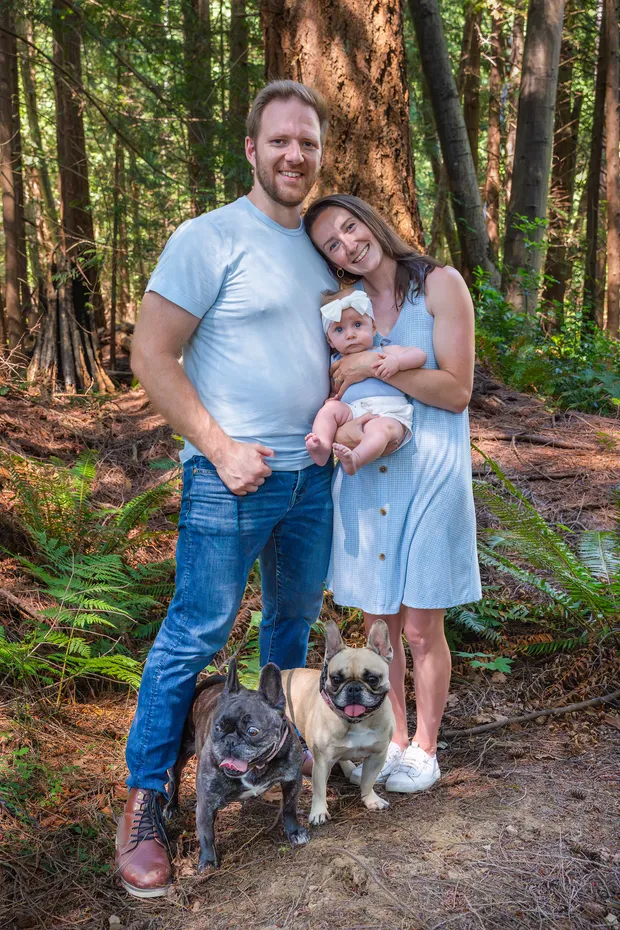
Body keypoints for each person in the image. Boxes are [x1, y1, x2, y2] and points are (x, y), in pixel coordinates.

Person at [115, 81, 337, 899]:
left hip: (312, 482)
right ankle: (147, 801)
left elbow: (340, 353)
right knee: (196, 632)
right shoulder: (208, 238)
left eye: (307, 143)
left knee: (291, 625)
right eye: (279, 141)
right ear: (251, 149)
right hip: (229, 479)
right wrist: (218, 446)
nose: (294, 155)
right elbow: (151, 355)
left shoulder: (322, 245)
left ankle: (267, 767)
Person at [304, 193, 482, 794]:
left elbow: (457, 390)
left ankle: (426, 748)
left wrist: (371, 368)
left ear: (370, 221)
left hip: (429, 471)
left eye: (350, 227)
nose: (348, 244)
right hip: (364, 477)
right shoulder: (342, 307)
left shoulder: (439, 284)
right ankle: (393, 738)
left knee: (420, 628)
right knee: (381, 625)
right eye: (332, 243)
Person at [306, 287, 426, 474]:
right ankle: (322, 447)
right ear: (330, 341)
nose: (350, 334)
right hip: (353, 410)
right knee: (329, 410)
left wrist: (397, 362)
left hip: (389, 412)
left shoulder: (383, 351)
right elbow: (335, 389)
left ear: (373, 327)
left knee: (379, 429)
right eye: (339, 329)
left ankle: (356, 459)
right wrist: (332, 398)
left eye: (357, 325)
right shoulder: (335, 363)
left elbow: (419, 355)